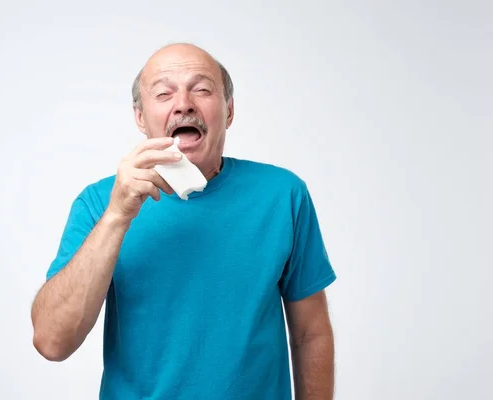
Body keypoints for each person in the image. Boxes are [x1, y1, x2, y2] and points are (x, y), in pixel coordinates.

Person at [31, 43, 337, 400]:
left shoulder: (283, 195)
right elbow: (52, 341)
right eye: (163, 92)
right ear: (141, 117)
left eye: (202, 89)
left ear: (229, 110)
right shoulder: (100, 203)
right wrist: (117, 216)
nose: (183, 103)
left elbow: (310, 333)